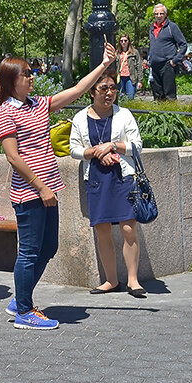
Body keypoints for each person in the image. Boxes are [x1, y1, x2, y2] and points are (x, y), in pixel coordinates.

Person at [0, 43, 115, 329]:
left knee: (48, 247)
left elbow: (76, 90)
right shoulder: (5, 113)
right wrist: (40, 187)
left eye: (31, 72)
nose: (32, 76)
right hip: (30, 194)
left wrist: (103, 65)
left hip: (48, 192)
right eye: (26, 73)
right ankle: (24, 311)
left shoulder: (38, 105)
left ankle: (20, 298)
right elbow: (13, 157)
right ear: (12, 80)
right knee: (29, 251)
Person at [69, 70, 146, 298]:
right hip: (96, 179)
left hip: (122, 177)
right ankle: (111, 280)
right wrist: (94, 152)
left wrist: (112, 146)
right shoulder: (80, 118)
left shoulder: (124, 115)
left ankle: (133, 280)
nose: (109, 93)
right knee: (102, 230)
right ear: (92, 92)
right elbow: (74, 150)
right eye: (103, 88)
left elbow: (137, 146)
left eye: (113, 88)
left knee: (128, 228)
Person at [147, 4, 186, 101]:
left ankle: (171, 114)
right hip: (155, 65)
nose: (159, 16)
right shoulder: (152, 28)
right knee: (157, 96)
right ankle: (158, 114)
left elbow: (183, 45)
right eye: (156, 14)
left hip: (167, 64)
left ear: (165, 14)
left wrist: (174, 60)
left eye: (161, 13)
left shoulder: (172, 27)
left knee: (170, 95)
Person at [114, 34, 142, 99]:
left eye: (125, 40)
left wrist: (140, 81)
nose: (123, 42)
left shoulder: (134, 52)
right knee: (121, 97)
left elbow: (139, 66)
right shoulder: (117, 53)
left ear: (128, 41)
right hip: (120, 78)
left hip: (131, 77)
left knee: (130, 96)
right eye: (121, 41)